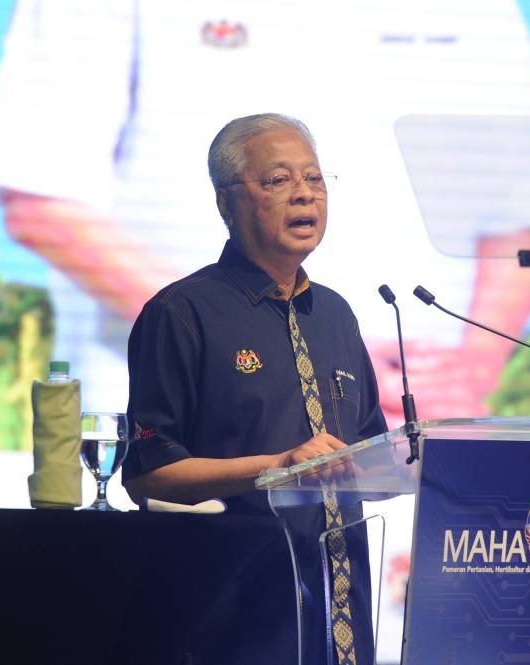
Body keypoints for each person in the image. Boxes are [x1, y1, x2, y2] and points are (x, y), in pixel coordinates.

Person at [0, 0, 530, 422]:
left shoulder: (484, 10)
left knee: (376, 602)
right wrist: (262, 349)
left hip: (409, 420)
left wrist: (469, 375)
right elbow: (41, 197)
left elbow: (514, 226)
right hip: (199, 405)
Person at [122, 113, 388, 665]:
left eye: (314, 180)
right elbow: (148, 475)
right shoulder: (182, 313)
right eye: (278, 181)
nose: (303, 196)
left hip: (343, 614)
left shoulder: (337, 314)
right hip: (234, 621)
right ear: (226, 203)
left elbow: (372, 452)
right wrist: (278, 465)